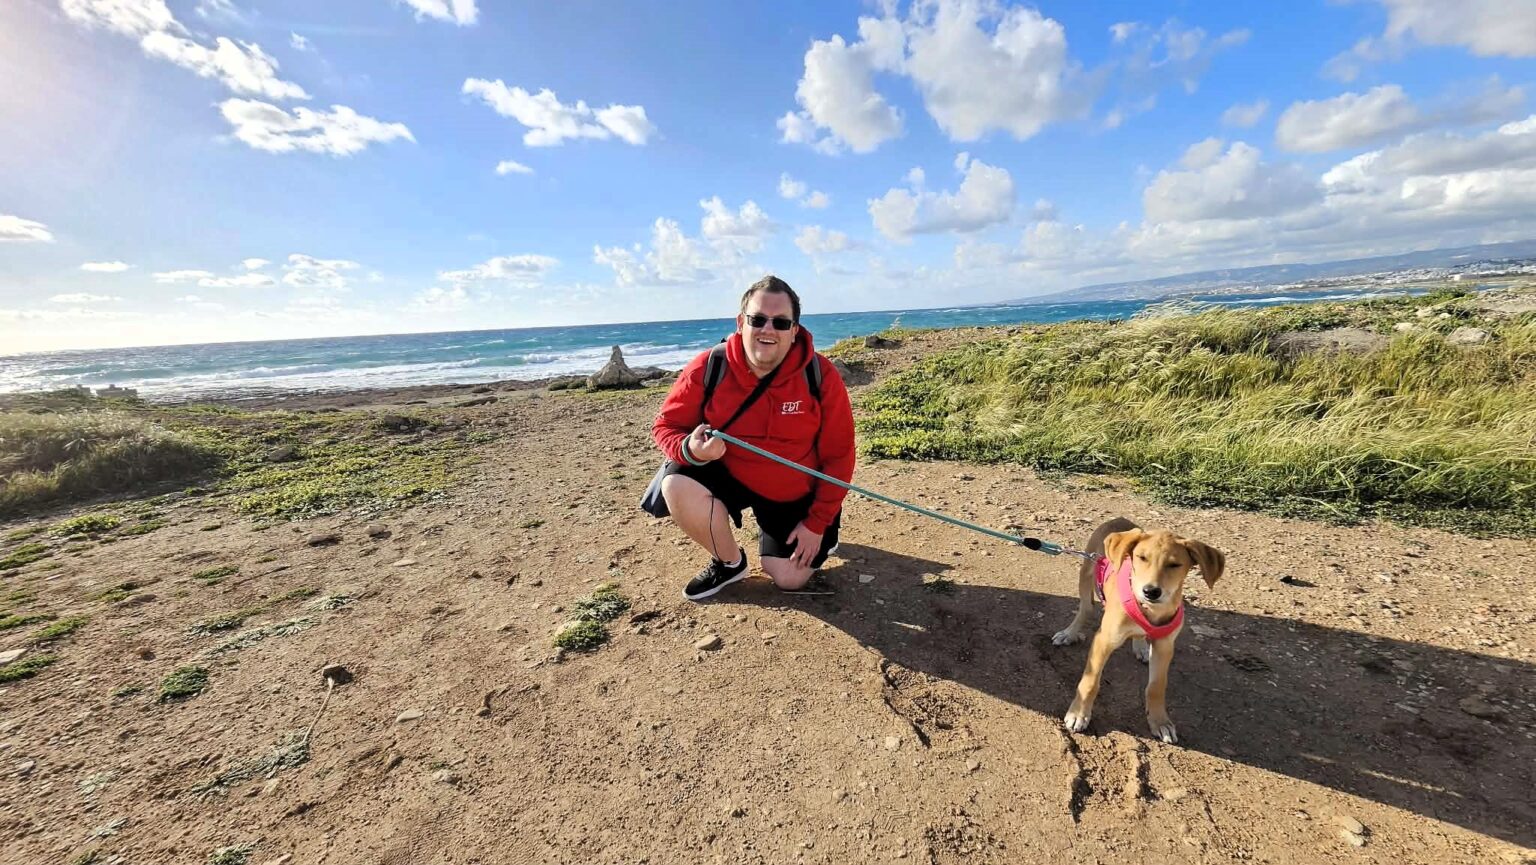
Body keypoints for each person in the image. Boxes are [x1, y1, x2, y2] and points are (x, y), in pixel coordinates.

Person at [652, 275, 855, 600]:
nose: (767, 329)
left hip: (791, 491)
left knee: (788, 578)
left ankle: (823, 534)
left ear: (794, 330)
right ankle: (730, 564)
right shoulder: (709, 366)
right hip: (729, 472)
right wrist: (691, 450)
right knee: (675, 483)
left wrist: (816, 524)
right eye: (757, 319)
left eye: (780, 322)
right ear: (740, 323)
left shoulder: (820, 376)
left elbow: (839, 456)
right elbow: (666, 426)